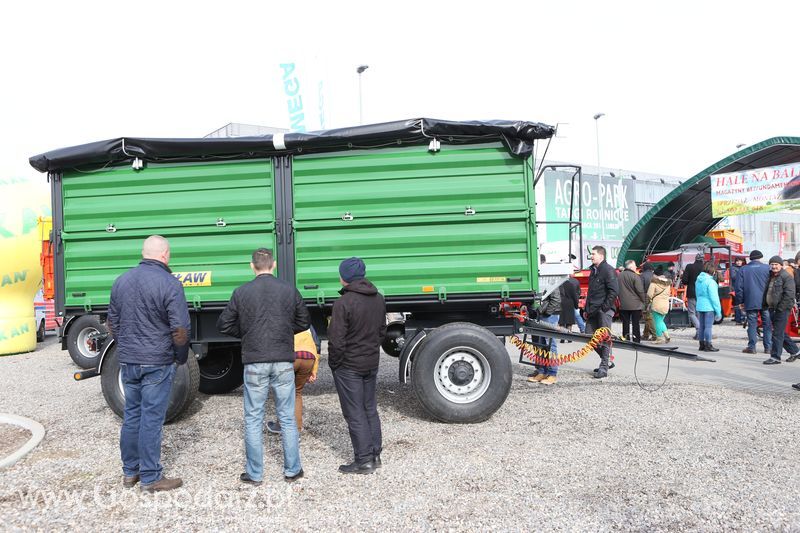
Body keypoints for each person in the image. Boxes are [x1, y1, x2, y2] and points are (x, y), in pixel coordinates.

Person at [217, 248, 310, 485]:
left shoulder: (241, 292)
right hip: (282, 359)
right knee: (287, 417)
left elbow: (223, 324)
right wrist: (284, 332)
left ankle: (255, 474)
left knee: (253, 417)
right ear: (274, 264)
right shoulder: (289, 290)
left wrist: (248, 333)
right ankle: (292, 470)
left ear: (252, 266)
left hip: (255, 360)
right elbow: (304, 321)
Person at [107, 235, 190, 493]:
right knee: (152, 419)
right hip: (157, 360)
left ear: (144, 253)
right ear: (165, 255)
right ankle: (152, 476)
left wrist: (126, 346)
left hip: (129, 360)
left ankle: (130, 472)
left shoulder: (121, 281)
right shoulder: (170, 284)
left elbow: (112, 322)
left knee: (132, 415)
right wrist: (181, 357)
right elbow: (180, 329)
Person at [328, 257, 387, 474]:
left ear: (345, 278)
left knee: (354, 412)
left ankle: (363, 460)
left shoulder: (343, 303)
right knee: (369, 408)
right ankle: (375, 454)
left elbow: (336, 340)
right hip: (371, 362)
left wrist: (334, 364)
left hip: (349, 365)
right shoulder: (378, 298)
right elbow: (382, 331)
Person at [266, 327, 321, 435]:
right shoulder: (306, 323)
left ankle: (281, 425)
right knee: (297, 393)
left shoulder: (281, 318)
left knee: (284, 391)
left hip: (291, 355)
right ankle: (297, 428)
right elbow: (317, 344)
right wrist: (314, 370)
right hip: (309, 357)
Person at [584, 245, 618, 378]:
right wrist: (586, 309)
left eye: (593, 254)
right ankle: (607, 360)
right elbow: (591, 292)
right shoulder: (593, 271)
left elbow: (614, 291)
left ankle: (604, 367)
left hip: (604, 310)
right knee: (588, 337)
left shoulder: (608, 270)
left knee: (604, 338)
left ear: (601, 256)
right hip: (593, 311)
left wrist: (604, 308)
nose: (591, 256)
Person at [762, 256, 800, 365]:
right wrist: (764, 305)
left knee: (777, 333)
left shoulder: (786, 277)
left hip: (781, 310)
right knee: (780, 332)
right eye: (772, 264)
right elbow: (767, 292)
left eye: (776, 264)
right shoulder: (771, 276)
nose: (774, 266)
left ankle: (775, 357)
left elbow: (789, 295)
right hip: (772, 308)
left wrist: (780, 309)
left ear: (781, 265)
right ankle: (795, 351)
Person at [734, 250, 772, 355]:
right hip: (766, 301)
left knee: (752, 324)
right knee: (767, 324)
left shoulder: (743, 269)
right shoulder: (767, 268)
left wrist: (740, 301)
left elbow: (738, 288)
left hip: (750, 300)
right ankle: (768, 347)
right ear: (760, 257)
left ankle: (752, 347)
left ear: (750, 258)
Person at [529, 284, 561, 385]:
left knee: (550, 344)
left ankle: (552, 373)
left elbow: (556, 299)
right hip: (542, 314)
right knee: (541, 344)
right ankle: (543, 371)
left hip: (549, 315)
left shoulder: (551, 279)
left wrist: (546, 312)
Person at [695, 262, 722, 352]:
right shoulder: (711, 282)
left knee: (702, 326)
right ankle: (708, 345)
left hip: (700, 305)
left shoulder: (698, 280)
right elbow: (714, 298)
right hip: (709, 307)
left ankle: (701, 344)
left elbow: (696, 293)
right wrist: (718, 311)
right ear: (712, 271)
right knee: (708, 327)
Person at [618, 260, 646, 343]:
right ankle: (636, 339)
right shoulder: (635, 276)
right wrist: (644, 300)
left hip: (623, 304)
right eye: (635, 266)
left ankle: (625, 338)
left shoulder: (619, 276)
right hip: (635, 304)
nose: (636, 267)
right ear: (631, 267)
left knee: (625, 323)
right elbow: (640, 290)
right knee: (635, 323)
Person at [680, 253, 704, 339]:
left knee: (691, 313)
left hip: (692, 292)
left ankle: (699, 329)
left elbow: (685, 281)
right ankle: (699, 333)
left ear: (695, 258)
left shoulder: (689, 267)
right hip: (702, 294)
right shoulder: (705, 267)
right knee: (699, 313)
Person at [647, 266, 672, 344]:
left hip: (657, 305)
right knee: (661, 321)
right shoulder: (668, 284)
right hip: (665, 305)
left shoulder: (654, 283)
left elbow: (649, 294)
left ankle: (659, 339)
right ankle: (667, 335)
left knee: (657, 322)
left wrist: (650, 300)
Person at [640, 262, 657, 341]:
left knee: (647, 317)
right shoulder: (655, 276)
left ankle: (654, 335)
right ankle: (646, 334)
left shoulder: (642, 276)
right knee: (649, 316)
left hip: (645, 297)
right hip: (655, 298)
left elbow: (640, 289)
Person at [730, 257, 745, 324]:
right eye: (737, 261)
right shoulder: (733, 268)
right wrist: (741, 274)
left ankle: (740, 317)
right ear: (735, 262)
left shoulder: (743, 268)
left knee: (741, 303)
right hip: (735, 288)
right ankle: (738, 319)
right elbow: (733, 277)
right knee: (736, 303)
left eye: (740, 261)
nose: (739, 262)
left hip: (743, 287)